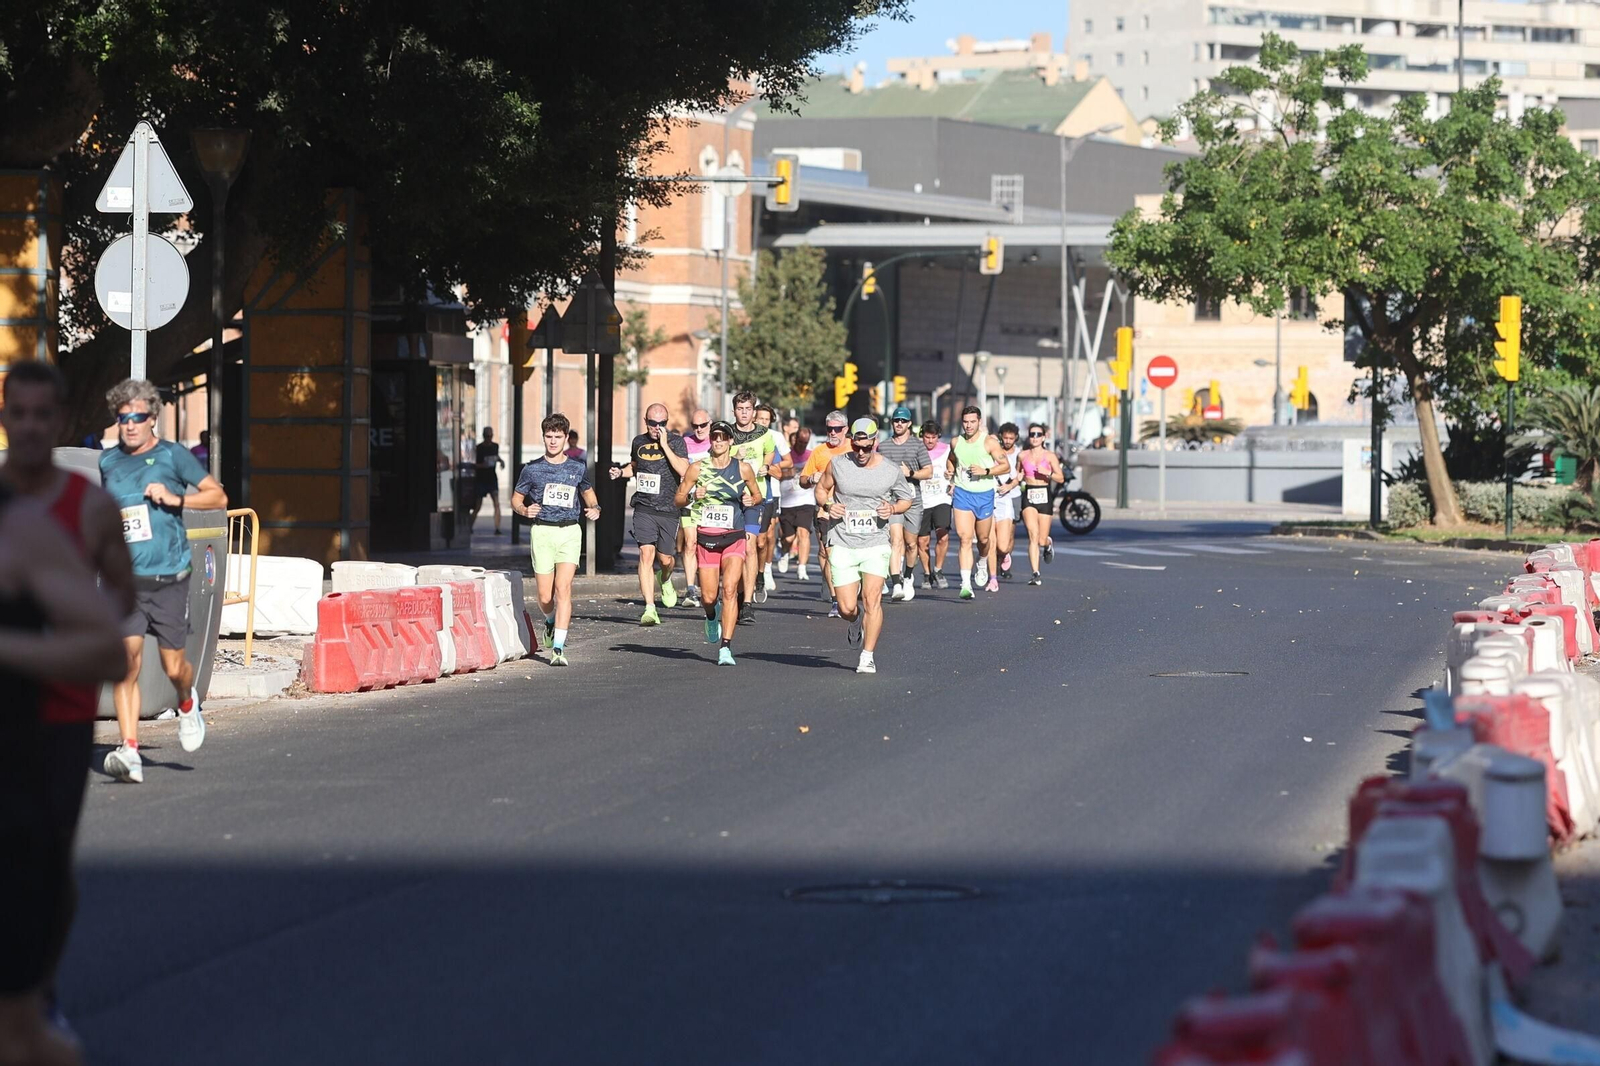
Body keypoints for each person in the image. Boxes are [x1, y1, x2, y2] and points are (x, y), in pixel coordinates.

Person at [1, 362, 133, 1052]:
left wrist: (71, 623)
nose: (27, 427)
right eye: (14, 414)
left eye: (39, 416)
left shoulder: (88, 508)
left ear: (57, 424)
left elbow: (122, 597)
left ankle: (38, 993)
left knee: (48, 865)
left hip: (62, 706)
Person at [100, 378, 227, 784]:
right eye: (123, 419)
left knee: (174, 668)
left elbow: (217, 497)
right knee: (126, 664)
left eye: (137, 417)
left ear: (153, 418)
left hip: (169, 577)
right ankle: (130, 749)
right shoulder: (109, 464)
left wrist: (176, 500)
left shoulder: (174, 457)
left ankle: (187, 705)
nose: (130, 425)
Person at [816, 418, 913, 674]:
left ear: (874, 442)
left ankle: (867, 655)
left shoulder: (890, 470)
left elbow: (906, 499)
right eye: (856, 447)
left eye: (866, 447)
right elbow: (820, 489)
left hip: (875, 544)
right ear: (851, 442)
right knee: (847, 607)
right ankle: (854, 620)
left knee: (873, 600)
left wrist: (892, 508)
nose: (860, 452)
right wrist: (827, 505)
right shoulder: (838, 464)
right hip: (843, 542)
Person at [513, 414, 601, 666]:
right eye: (549, 437)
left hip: (570, 532)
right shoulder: (532, 469)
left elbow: (588, 494)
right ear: (543, 438)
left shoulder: (577, 467)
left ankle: (559, 648)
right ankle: (549, 620)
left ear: (566, 438)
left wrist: (595, 508)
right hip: (542, 533)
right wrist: (524, 510)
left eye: (557, 437)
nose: (553, 441)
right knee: (544, 596)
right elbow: (517, 500)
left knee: (564, 588)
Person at [674, 421, 760, 667]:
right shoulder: (697, 469)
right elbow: (678, 499)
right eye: (715, 437)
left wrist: (750, 499)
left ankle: (726, 647)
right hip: (708, 539)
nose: (719, 441)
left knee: (730, 589)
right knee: (710, 597)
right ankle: (712, 616)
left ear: (731, 441)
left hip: (734, 535)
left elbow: (757, 495)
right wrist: (692, 496)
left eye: (723, 437)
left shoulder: (743, 469)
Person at [610, 403, 690, 625]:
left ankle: (664, 579)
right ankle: (649, 608)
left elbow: (684, 470)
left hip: (668, 509)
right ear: (646, 422)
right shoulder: (638, 441)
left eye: (662, 423)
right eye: (653, 423)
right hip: (644, 506)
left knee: (665, 559)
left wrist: (665, 445)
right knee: (646, 554)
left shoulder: (676, 442)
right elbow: (635, 466)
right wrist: (621, 472)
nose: (657, 427)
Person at [727, 392, 785, 622]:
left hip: (754, 498)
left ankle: (748, 603)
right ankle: (736, 593)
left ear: (753, 411)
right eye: (740, 408)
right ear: (734, 411)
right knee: (733, 550)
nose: (744, 413)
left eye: (748, 409)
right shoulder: (727, 434)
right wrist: (734, 456)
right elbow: (715, 458)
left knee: (751, 546)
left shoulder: (764, 434)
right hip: (730, 498)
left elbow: (770, 451)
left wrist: (767, 465)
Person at [947, 405, 1009, 600]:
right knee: (965, 538)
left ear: (979, 422)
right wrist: (950, 473)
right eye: (965, 422)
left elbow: (1006, 466)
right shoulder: (956, 442)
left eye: (972, 422)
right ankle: (966, 584)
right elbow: (951, 460)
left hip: (984, 495)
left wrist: (986, 472)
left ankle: (982, 561)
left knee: (983, 540)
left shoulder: (989, 442)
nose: (968, 425)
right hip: (963, 494)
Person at [797, 411, 852, 616]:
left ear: (846, 429)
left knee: (849, 554)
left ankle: (850, 588)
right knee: (829, 554)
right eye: (830, 429)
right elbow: (802, 481)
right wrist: (812, 478)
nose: (833, 433)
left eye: (837, 429)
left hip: (852, 511)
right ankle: (836, 600)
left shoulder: (855, 448)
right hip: (825, 510)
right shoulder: (819, 451)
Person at [875, 406, 932, 603]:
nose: (899, 424)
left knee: (911, 543)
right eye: (895, 420)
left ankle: (908, 575)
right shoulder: (883, 446)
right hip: (892, 500)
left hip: (913, 499)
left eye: (902, 421)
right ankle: (897, 582)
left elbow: (929, 471)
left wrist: (911, 474)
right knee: (895, 540)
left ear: (909, 424)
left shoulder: (918, 445)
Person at [1017, 422, 1065, 584]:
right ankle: (1035, 573)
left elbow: (1061, 477)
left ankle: (1048, 543)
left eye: (1038, 435)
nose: (1035, 437)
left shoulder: (1050, 456)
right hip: (1029, 495)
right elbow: (1018, 474)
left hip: (1044, 495)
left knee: (1041, 540)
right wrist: (1014, 480)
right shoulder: (1022, 455)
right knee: (1033, 535)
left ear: (1043, 437)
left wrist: (1049, 473)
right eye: (1032, 434)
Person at [752, 403, 790, 597]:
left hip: (771, 492)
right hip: (750, 491)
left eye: (766, 419)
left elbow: (788, 462)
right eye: (760, 419)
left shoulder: (776, 437)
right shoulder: (747, 437)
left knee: (767, 536)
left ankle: (766, 568)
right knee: (754, 538)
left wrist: (769, 464)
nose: (763, 422)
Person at [677, 409, 713, 609]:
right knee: (690, 544)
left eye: (703, 425)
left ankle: (710, 586)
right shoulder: (685, 443)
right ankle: (691, 589)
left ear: (710, 423)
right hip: (691, 501)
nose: (699, 430)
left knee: (708, 546)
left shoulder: (718, 442)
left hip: (712, 504)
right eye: (695, 426)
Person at [916, 421, 953, 589]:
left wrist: (951, 476)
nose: (930, 441)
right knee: (922, 542)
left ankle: (938, 569)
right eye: (927, 437)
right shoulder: (916, 450)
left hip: (941, 498)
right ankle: (926, 573)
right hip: (922, 500)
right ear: (922, 436)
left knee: (943, 534)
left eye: (933, 438)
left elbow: (954, 466)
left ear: (938, 437)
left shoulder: (946, 449)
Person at [777, 426, 814, 580]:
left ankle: (802, 567)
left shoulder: (812, 455)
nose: (801, 446)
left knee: (803, 533)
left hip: (806, 499)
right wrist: (788, 473)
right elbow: (776, 472)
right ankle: (785, 552)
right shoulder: (786, 455)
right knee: (789, 538)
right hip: (787, 501)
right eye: (799, 442)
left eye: (805, 443)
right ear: (795, 439)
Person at [992, 422, 1023, 582]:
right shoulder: (996, 451)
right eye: (1005, 437)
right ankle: (995, 560)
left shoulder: (1019, 453)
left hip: (1014, 495)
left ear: (1016, 438)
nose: (1008, 441)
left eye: (1011, 438)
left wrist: (1010, 485)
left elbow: (1020, 473)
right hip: (996, 495)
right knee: (994, 533)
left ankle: (1005, 558)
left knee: (1010, 532)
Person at [472, 427, 506, 535]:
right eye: (487, 436)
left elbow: (496, 456)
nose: (489, 439)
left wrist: (500, 461)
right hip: (481, 479)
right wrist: (482, 465)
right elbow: (473, 464)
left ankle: (497, 527)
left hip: (492, 478)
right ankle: (469, 525)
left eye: (491, 436)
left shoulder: (495, 446)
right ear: (483, 436)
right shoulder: (479, 448)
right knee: (478, 505)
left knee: (496, 503)